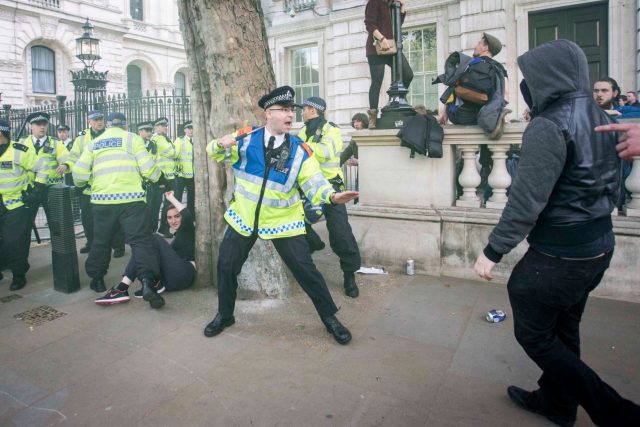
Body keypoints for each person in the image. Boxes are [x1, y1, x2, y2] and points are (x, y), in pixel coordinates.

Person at [473, 40, 640, 426]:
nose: (527, 85)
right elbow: (613, 185)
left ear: (548, 78)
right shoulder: (600, 114)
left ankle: (614, 412)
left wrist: (494, 251)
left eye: (531, 77)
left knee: (535, 334)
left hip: (561, 254)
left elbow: (526, 200)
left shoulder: (548, 125)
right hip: (599, 244)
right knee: (564, 327)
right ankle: (558, 403)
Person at [204, 86, 358, 345]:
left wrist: (330, 196)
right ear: (268, 114)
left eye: (291, 111)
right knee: (226, 266)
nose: (290, 115)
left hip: (283, 221)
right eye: (284, 110)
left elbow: (314, 181)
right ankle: (225, 314)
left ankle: (330, 318)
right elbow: (215, 152)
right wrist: (220, 143)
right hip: (244, 218)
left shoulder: (299, 149)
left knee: (306, 271)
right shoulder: (246, 138)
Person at [73, 112, 166, 308]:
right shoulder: (133, 139)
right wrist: (161, 179)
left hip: (102, 200)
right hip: (131, 200)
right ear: (125, 125)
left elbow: (79, 174)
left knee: (101, 240)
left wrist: (83, 185)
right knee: (140, 241)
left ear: (107, 125)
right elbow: (149, 168)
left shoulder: (95, 142)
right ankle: (148, 282)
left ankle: (97, 279)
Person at [298, 96, 362, 298]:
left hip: (331, 187)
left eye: (305, 108)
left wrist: (301, 147)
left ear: (313, 110)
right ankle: (314, 242)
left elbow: (325, 152)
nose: (302, 112)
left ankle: (349, 275)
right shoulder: (302, 130)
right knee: (295, 219)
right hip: (308, 186)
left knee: (340, 233)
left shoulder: (332, 130)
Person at [95, 191, 195, 305]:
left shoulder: (188, 231)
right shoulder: (176, 238)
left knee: (150, 238)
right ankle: (152, 287)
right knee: (144, 249)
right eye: (169, 218)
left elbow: (186, 215)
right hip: (170, 282)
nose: (173, 221)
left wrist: (171, 198)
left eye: (177, 216)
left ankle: (122, 289)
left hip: (184, 274)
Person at [68, 111, 125, 257]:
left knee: (113, 218)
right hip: (87, 187)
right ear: (89, 122)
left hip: (108, 185)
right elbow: (73, 158)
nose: (99, 122)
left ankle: (118, 246)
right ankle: (91, 242)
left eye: (101, 119)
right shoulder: (81, 139)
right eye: (96, 120)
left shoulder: (111, 135)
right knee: (88, 218)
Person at [0, 118, 47, 291]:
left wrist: (38, 189)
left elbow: (42, 167)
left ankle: (19, 274)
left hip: (15, 205)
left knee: (15, 242)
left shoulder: (19, 151)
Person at [364, 0, 413, 128]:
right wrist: (381, 38)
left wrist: (402, 6)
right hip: (376, 48)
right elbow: (369, 24)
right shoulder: (374, 2)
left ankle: (394, 100)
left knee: (407, 74)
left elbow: (397, 25)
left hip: (392, 47)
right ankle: (373, 116)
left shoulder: (392, 4)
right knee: (377, 81)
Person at [22, 112, 70, 232]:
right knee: (25, 224)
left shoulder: (55, 143)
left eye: (44, 124)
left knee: (57, 224)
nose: (42, 127)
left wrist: (65, 164)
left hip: (51, 188)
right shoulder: (22, 143)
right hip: (30, 189)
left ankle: (60, 250)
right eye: (38, 124)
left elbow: (67, 158)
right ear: (30, 126)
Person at [153, 117, 178, 238]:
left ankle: (163, 228)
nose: (165, 127)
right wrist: (174, 148)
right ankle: (162, 229)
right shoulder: (159, 139)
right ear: (156, 127)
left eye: (166, 125)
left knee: (166, 204)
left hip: (167, 175)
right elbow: (173, 153)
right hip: (163, 177)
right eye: (162, 125)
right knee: (165, 204)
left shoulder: (163, 138)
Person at [136, 121, 162, 232]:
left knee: (154, 208)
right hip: (138, 183)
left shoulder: (153, 145)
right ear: (139, 131)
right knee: (140, 210)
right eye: (146, 131)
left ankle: (152, 232)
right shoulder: (134, 144)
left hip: (152, 181)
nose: (149, 133)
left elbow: (157, 162)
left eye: (150, 131)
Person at [174, 121, 195, 215]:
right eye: (189, 128)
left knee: (192, 197)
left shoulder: (198, 140)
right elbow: (174, 156)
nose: (191, 130)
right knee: (178, 197)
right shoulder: (180, 140)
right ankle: (177, 214)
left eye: (192, 128)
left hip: (193, 175)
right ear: (185, 130)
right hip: (181, 174)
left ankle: (190, 215)